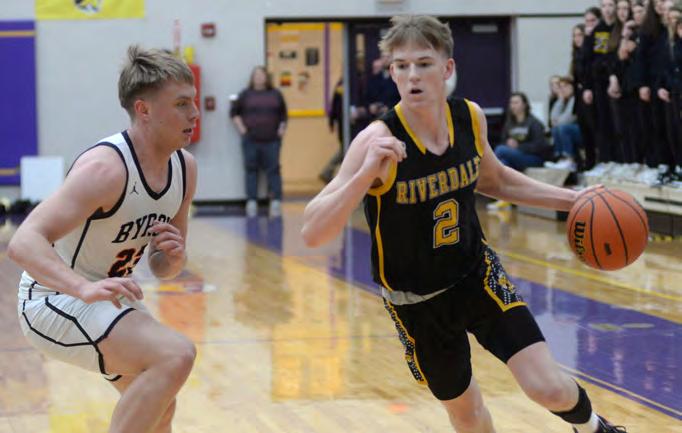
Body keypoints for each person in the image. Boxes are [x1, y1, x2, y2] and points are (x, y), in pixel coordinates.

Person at [301, 15, 626, 433]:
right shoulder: (376, 139)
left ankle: (596, 428)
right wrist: (365, 175)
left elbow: (497, 180)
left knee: (549, 388)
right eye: (401, 66)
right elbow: (313, 232)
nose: (412, 75)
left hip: (476, 275)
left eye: (424, 63)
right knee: (467, 415)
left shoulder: (470, 118)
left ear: (447, 68)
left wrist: (574, 199)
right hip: (416, 301)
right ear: (392, 72)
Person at [8, 46, 198, 433]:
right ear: (144, 110)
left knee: (160, 408)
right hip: (53, 298)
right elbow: (23, 241)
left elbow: (163, 269)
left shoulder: (185, 168)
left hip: (106, 295)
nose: (194, 113)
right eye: (181, 104)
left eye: (193, 101)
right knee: (174, 356)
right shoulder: (105, 169)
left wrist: (173, 258)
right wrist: (81, 288)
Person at [230, 65, 288, 217]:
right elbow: (234, 113)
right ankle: (251, 202)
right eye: (256, 75)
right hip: (251, 140)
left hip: (272, 140)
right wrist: (242, 129)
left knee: (273, 170)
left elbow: (283, 115)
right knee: (251, 170)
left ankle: (276, 201)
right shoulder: (245, 94)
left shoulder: (276, 94)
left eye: (261, 74)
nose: (259, 77)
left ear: (266, 77)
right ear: (252, 78)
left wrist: (281, 129)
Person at [494, 92, 552, 172]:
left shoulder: (534, 123)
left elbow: (540, 145)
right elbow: (503, 141)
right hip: (514, 155)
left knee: (500, 150)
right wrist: (507, 142)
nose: (513, 106)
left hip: (533, 158)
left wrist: (518, 146)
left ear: (524, 105)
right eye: (511, 103)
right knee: (504, 163)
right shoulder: (509, 123)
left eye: (516, 103)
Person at [547, 77, 581, 171]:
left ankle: (570, 160)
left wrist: (557, 122)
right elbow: (552, 119)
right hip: (569, 129)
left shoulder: (575, 99)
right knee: (555, 129)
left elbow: (568, 119)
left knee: (563, 128)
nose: (562, 89)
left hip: (583, 132)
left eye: (565, 86)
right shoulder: (563, 100)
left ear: (572, 87)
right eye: (561, 87)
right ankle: (562, 159)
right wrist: (560, 100)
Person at [319, 78, 345, 184]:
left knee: (345, 148)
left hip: (342, 121)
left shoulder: (342, 83)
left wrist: (332, 121)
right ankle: (328, 171)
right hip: (343, 122)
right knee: (346, 148)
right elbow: (335, 103)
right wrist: (331, 121)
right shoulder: (343, 84)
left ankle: (328, 171)